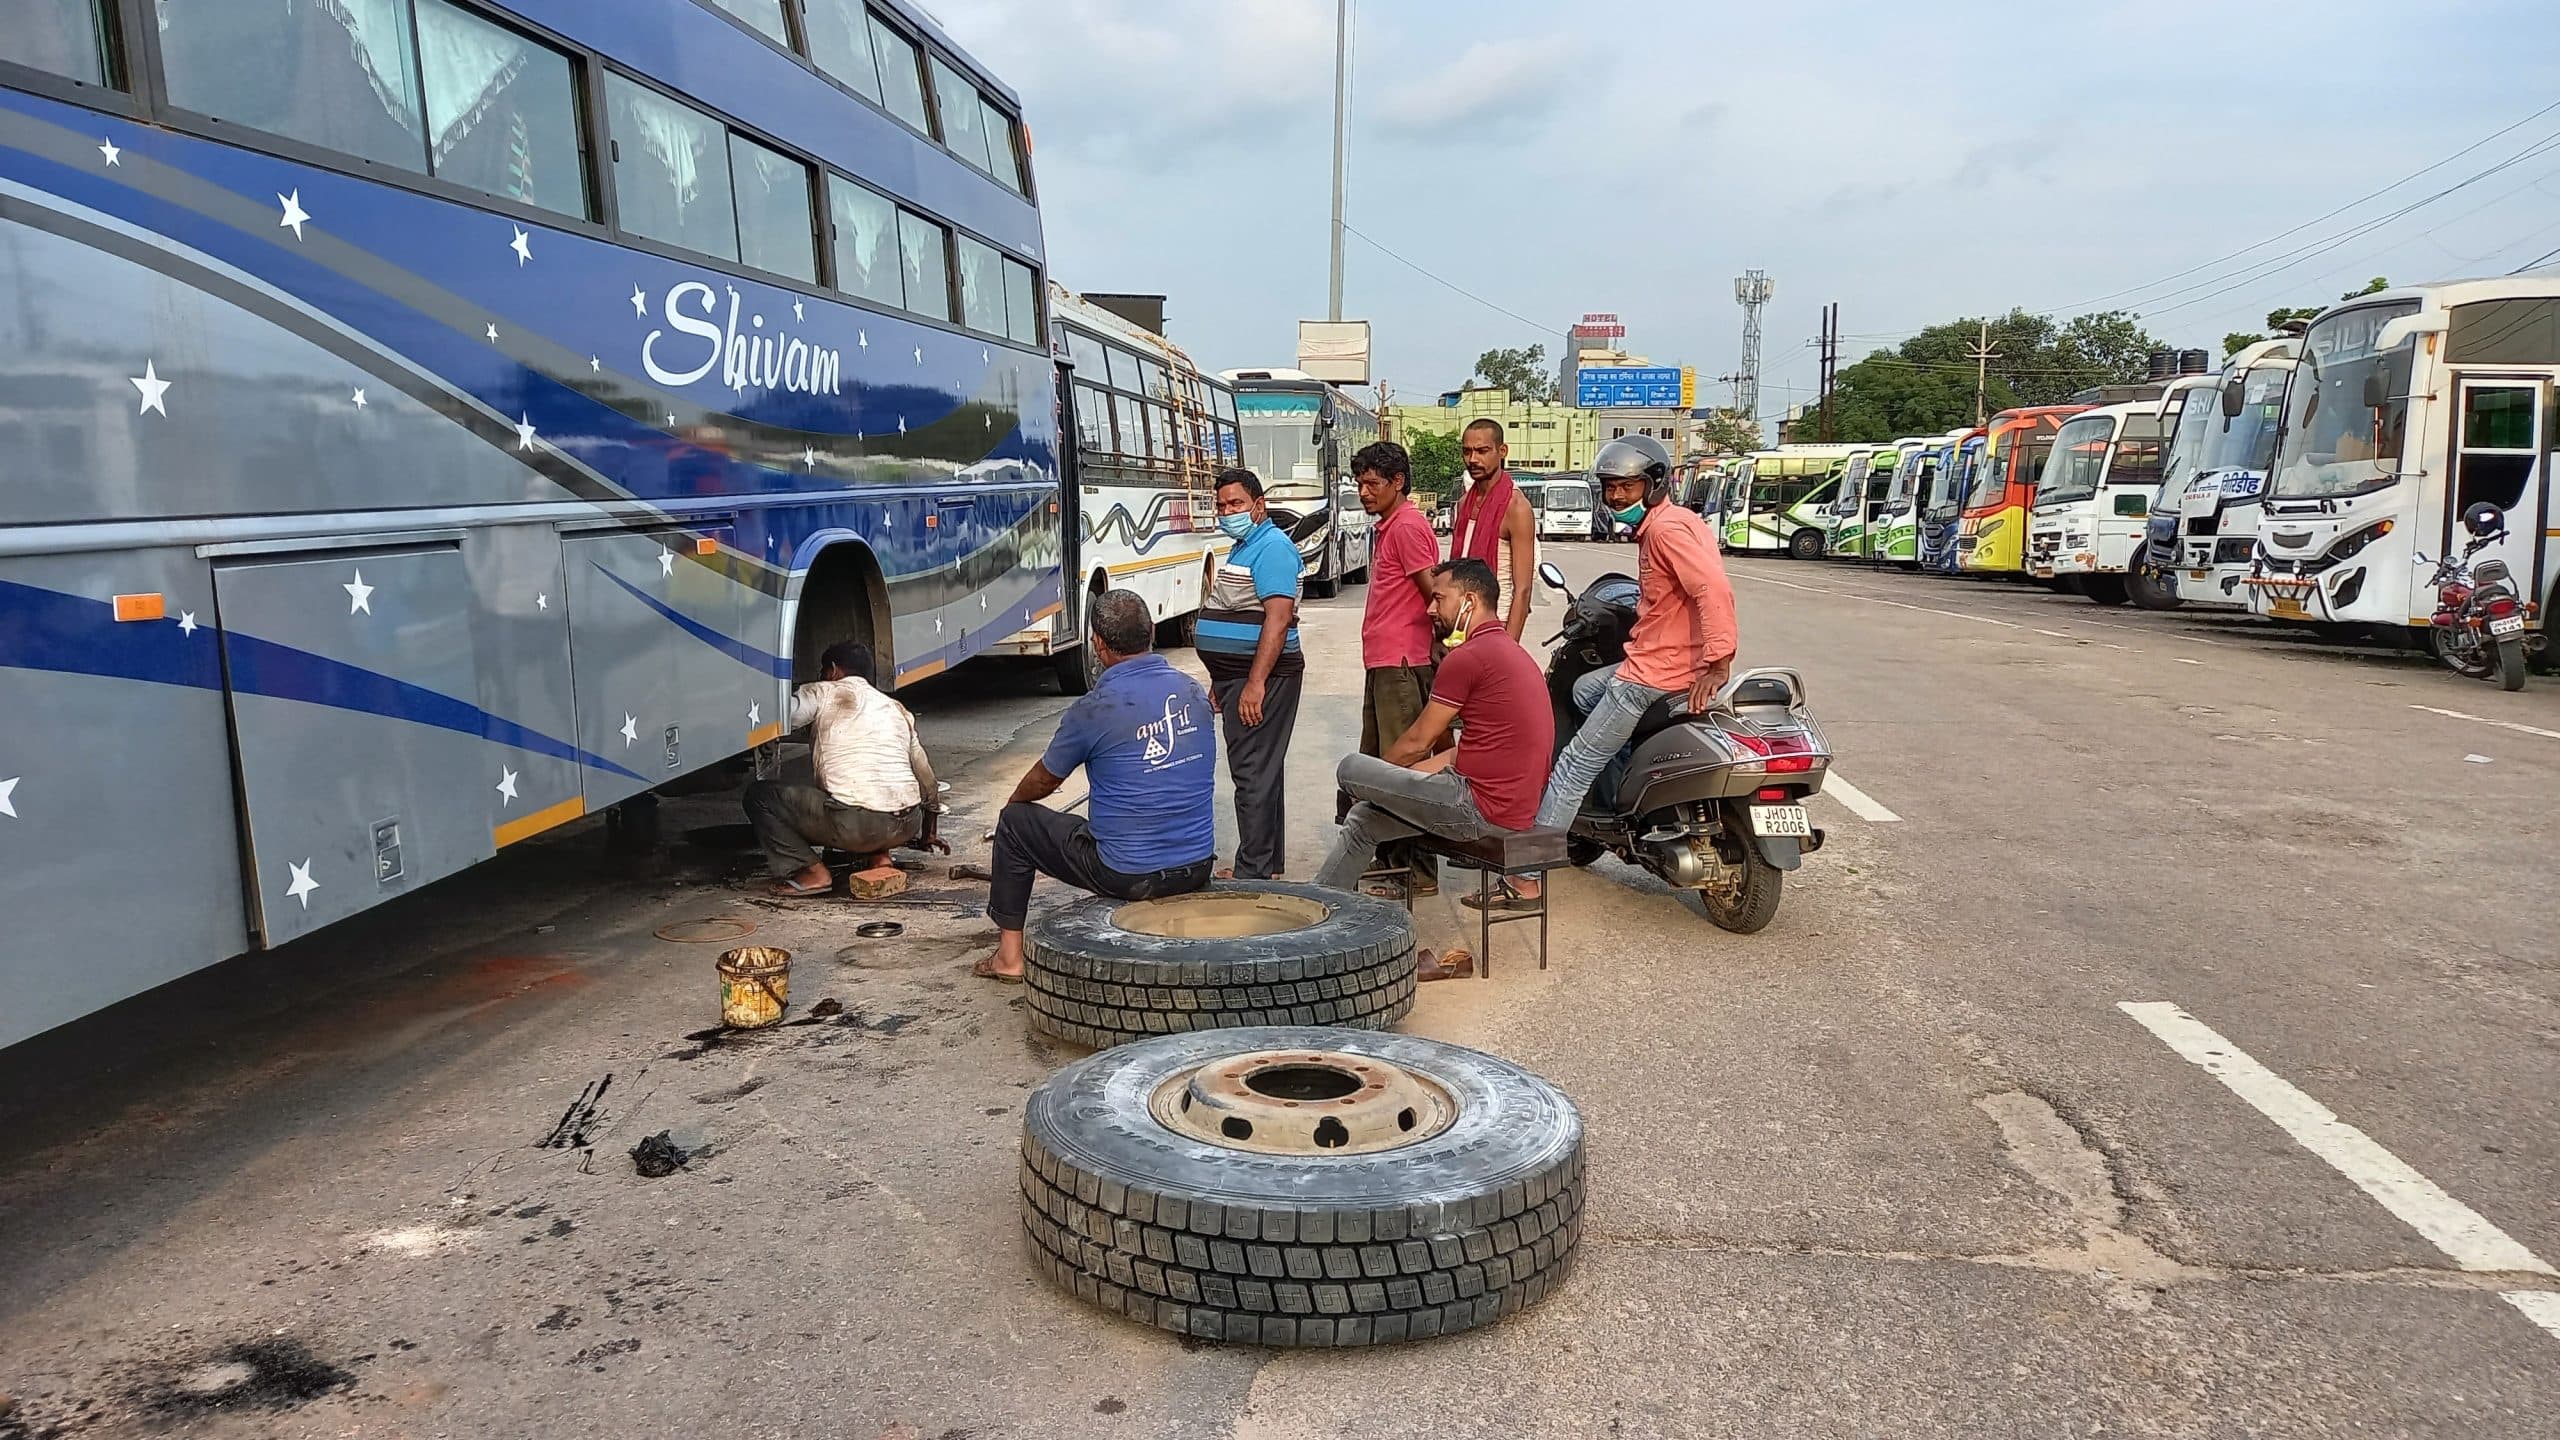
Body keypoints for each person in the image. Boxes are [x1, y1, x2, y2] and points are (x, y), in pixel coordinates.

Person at [1509, 435, 1737, 906]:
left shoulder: (1664, 532)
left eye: (1627, 487)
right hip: (1667, 662)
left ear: (1654, 484)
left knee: (1574, 765)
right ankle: (1622, 787)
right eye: (1610, 487)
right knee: (1584, 691)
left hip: (1652, 674)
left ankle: (1526, 875)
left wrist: (1720, 662)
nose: (1616, 497)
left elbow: (1712, 588)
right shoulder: (1682, 521)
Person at [1314, 558, 1554, 976]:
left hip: (1475, 808)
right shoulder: (1510, 653)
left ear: (1469, 601)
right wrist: (1395, 785)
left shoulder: (1468, 657)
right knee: (1365, 819)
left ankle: (1319, 913)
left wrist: (1376, 778)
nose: (1430, 608)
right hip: (1505, 804)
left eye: (1439, 598)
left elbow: (1417, 742)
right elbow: (1458, 754)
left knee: (1351, 767)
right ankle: (1320, 915)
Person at [975, 590, 1215, 982]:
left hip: (1129, 874)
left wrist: (1015, 802)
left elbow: (1046, 778)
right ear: (1152, 632)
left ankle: (1009, 957)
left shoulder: (1095, 708)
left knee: (1015, 824)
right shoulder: (1192, 691)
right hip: (1198, 866)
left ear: (1098, 644)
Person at [743, 640, 942, 897]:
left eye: (824, 671)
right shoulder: (895, 708)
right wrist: (928, 833)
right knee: (866, 791)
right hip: (906, 825)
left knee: (760, 796)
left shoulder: (824, 691)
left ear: (834, 670)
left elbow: (784, 716)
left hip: (858, 826)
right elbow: (928, 780)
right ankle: (880, 858)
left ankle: (811, 872)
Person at [1196, 467, 1303, 879]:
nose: (1228, 512)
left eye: (1236, 504)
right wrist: (1219, 677)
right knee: (1263, 768)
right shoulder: (1245, 546)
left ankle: (1252, 871)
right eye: (1221, 505)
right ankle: (1266, 863)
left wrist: (1255, 683)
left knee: (1252, 770)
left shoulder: (1272, 548)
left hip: (1264, 678)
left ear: (1258, 505)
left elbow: (1278, 619)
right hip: (1237, 676)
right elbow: (1234, 610)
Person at [1346, 438, 1442, 895]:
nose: (1364, 492)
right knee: (1380, 767)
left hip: (1403, 662)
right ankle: (1391, 861)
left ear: (1398, 482)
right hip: (1386, 660)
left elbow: (1435, 596)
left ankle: (1416, 871)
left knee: (1404, 771)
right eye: (1360, 484)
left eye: (1372, 484)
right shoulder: (1390, 526)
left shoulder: (1407, 527)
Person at [1448, 419, 1538, 640]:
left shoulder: (1516, 507)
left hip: (1497, 624)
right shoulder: (1463, 504)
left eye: (1482, 451)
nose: (1473, 459)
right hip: (1460, 623)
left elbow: (1523, 589)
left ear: (1502, 451)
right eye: (1467, 451)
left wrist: (1508, 647)